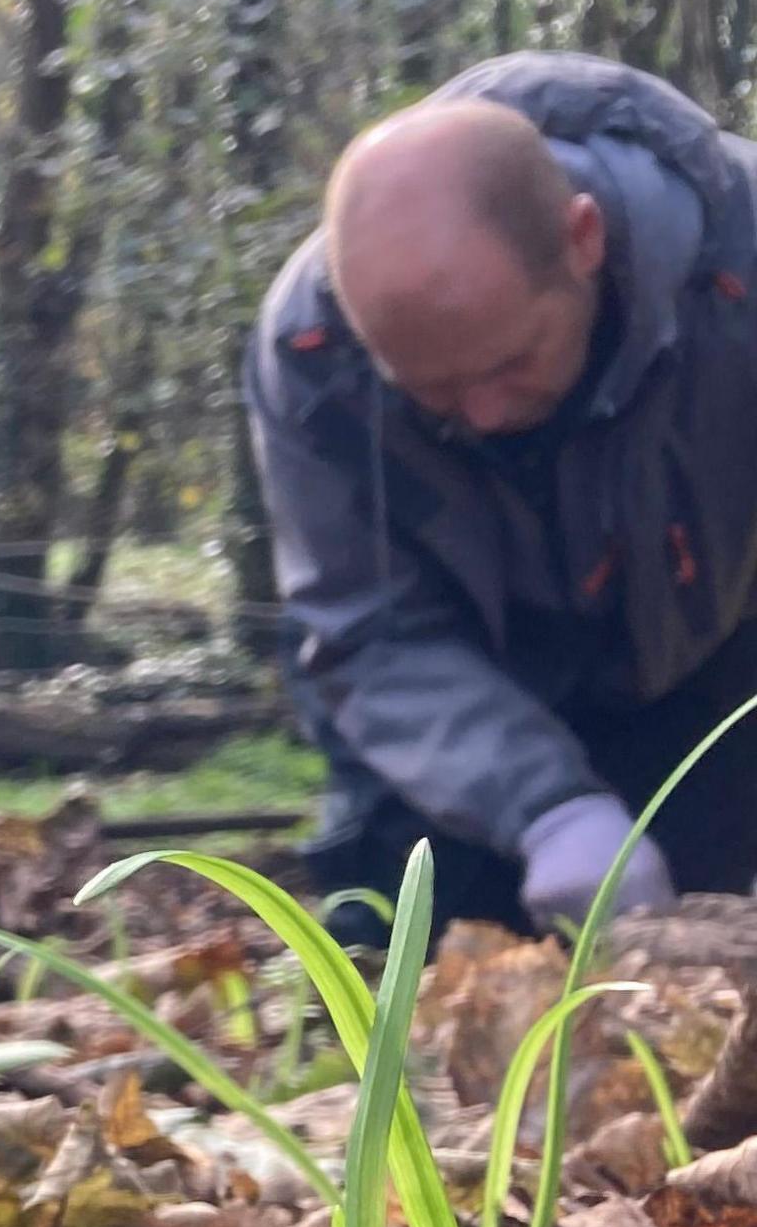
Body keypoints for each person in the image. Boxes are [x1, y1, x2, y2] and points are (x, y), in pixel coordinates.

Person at [251, 52, 757, 934]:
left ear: (583, 239)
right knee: (399, 943)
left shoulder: (740, 257)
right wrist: (548, 807)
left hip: (706, 646)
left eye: (511, 362)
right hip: (444, 680)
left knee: (690, 950)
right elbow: (368, 627)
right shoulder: (311, 350)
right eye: (430, 393)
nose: (481, 416)